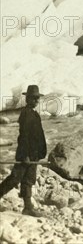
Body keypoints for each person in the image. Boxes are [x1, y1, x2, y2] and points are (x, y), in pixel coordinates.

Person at [0, 85, 47, 217]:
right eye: (34, 98)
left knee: (29, 179)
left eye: (38, 98)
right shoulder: (26, 114)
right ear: (28, 99)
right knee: (15, 178)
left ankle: (28, 208)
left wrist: (40, 152)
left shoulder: (34, 114)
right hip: (26, 154)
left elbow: (38, 135)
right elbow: (24, 136)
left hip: (33, 154)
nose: (37, 100)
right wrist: (26, 155)